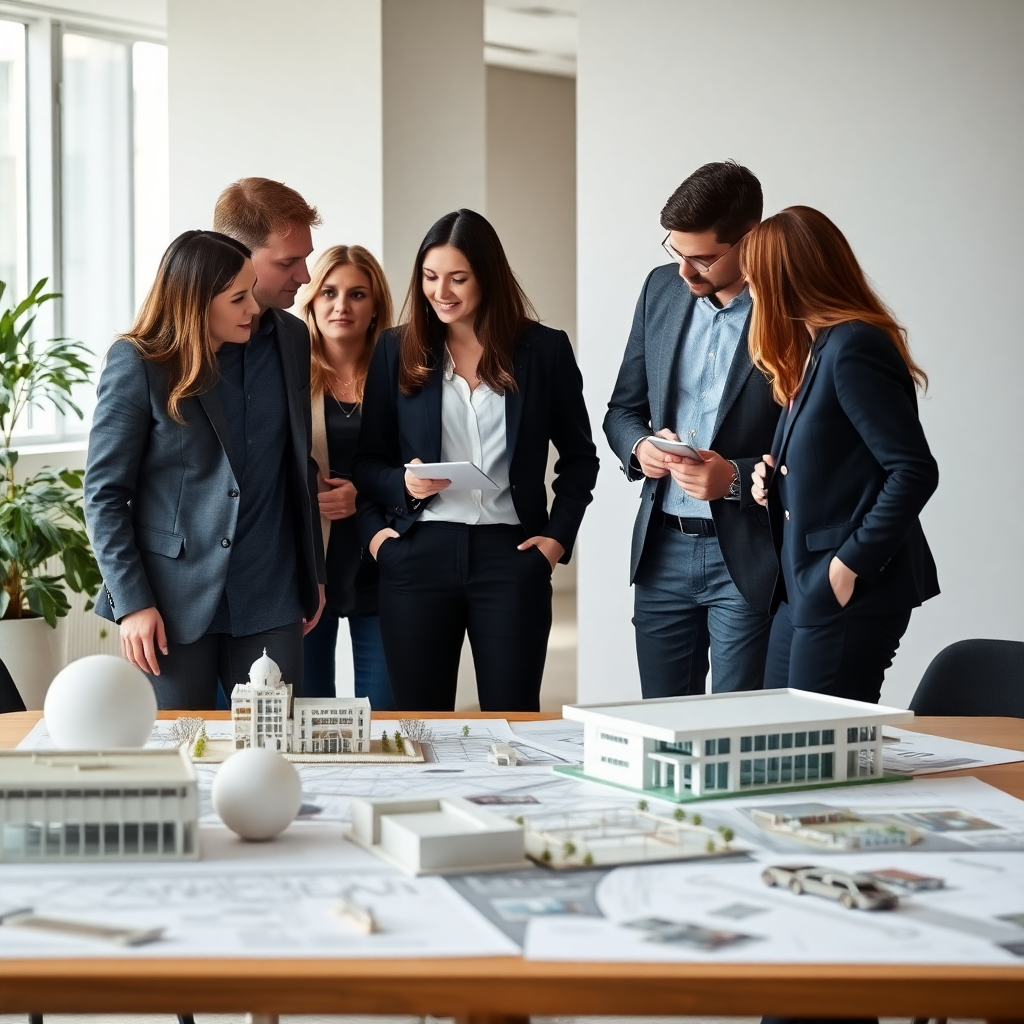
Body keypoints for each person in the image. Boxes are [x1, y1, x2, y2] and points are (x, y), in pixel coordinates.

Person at [353, 208, 599, 712]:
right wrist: (384, 529)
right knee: (420, 724)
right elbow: (367, 461)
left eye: (457, 278)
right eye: (429, 276)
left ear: (487, 275)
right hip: (417, 552)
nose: (441, 291)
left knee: (513, 717)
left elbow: (580, 458)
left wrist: (555, 541)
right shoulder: (395, 350)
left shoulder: (544, 350)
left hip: (511, 556)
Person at [85, 230, 326, 709]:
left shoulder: (292, 339)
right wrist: (132, 602)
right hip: (171, 598)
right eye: (238, 298)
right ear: (195, 303)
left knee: (274, 750)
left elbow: (297, 466)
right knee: (180, 751)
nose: (253, 309)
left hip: (270, 588)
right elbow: (104, 494)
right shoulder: (138, 363)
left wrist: (311, 569)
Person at [746, 206, 939, 703]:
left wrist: (847, 566)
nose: (750, 292)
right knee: (779, 744)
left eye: (755, 280)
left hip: (845, 586)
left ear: (784, 280)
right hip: (802, 585)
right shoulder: (815, 348)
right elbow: (836, 457)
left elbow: (913, 470)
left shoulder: (853, 344)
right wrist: (773, 476)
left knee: (815, 756)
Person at [604, 161, 780, 699]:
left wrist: (734, 477)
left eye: (701, 258)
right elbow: (621, 408)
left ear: (748, 239)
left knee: (735, 733)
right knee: (661, 731)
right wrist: (640, 447)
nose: (685, 272)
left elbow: (812, 441)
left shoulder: (791, 312)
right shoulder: (660, 290)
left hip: (748, 553)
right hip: (661, 550)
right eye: (676, 253)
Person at [298, 245, 395, 708]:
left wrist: (365, 490)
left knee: (388, 714)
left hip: (379, 555)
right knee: (307, 713)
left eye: (357, 294)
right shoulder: (288, 369)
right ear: (312, 300)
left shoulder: (403, 371)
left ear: (375, 304)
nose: (341, 306)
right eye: (329, 292)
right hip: (305, 558)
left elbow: (425, 458)